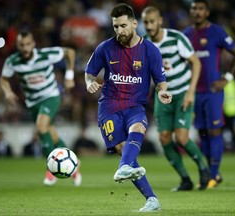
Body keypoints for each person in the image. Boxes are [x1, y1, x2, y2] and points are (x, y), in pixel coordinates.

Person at [85, 3, 172, 212]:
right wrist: (89, 82)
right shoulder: (105, 47)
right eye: (115, 27)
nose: (119, 31)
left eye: (123, 26)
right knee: (123, 150)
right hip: (109, 106)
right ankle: (152, 199)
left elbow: (161, 80)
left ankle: (123, 168)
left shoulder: (150, 50)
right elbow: (89, 72)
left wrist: (161, 92)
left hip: (135, 105)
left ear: (134, 23)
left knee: (138, 128)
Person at [141, 6, 212, 191]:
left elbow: (196, 63)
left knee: (181, 138)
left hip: (182, 93)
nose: (149, 26)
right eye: (145, 22)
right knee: (164, 138)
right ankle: (185, 180)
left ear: (160, 21)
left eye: (152, 21)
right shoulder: (145, 45)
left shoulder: (176, 38)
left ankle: (204, 169)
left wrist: (190, 92)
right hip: (162, 96)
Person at [0, 30, 82, 186]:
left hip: (51, 96)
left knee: (41, 127)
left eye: (28, 44)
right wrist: (8, 92)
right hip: (33, 102)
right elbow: (3, 79)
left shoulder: (45, 55)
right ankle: (74, 165)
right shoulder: (13, 61)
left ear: (33, 44)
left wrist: (69, 77)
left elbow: (70, 52)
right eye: (21, 45)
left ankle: (51, 169)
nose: (25, 47)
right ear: (17, 45)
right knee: (50, 133)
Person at [183, 0, 235, 186]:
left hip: (213, 90)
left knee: (214, 130)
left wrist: (227, 78)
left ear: (207, 12)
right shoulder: (186, 35)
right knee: (202, 132)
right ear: (191, 12)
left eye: (201, 9)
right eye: (194, 9)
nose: (197, 12)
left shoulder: (216, 31)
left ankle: (213, 174)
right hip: (194, 92)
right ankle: (210, 173)